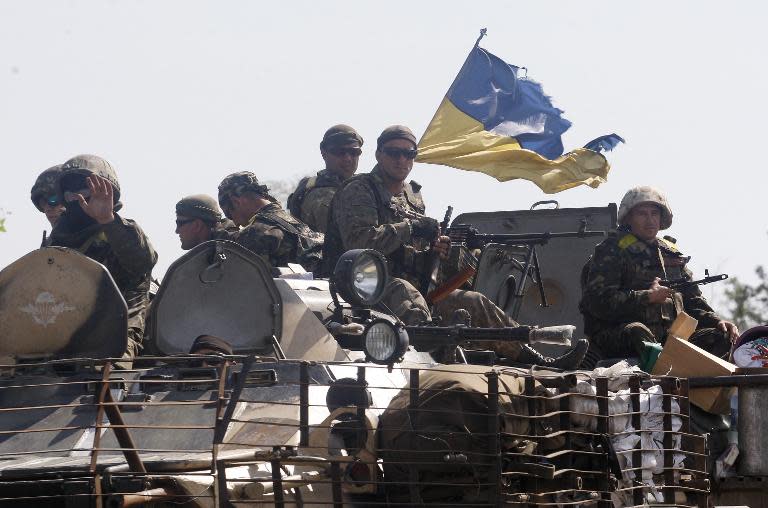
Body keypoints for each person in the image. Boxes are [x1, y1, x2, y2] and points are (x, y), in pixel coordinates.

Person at [324, 125, 587, 368]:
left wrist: (437, 249)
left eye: (409, 154)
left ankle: (540, 362)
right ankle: (434, 361)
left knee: (475, 303)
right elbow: (359, 242)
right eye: (394, 153)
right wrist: (411, 228)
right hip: (364, 287)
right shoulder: (359, 190)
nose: (401, 160)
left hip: (416, 288)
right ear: (379, 154)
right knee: (405, 292)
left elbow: (413, 249)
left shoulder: (412, 196)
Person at [580, 186, 737, 360]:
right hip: (620, 337)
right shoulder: (612, 250)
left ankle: (699, 384)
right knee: (637, 331)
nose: (650, 220)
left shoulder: (670, 253)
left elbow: (693, 301)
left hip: (670, 339)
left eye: (654, 213)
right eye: (642, 214)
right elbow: (597, 303)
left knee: (721, 335)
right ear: (628, 218)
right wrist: (647, 297)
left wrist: (717, 321)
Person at [49, 154, 157, 368]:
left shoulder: (122, 232)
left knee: (108, 387)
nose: (76, 198)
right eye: (70, 193)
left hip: (116, 338)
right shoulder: (58, 241)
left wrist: (106, 219)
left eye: (85, 191)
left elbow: (142, 263)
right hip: (62, 338)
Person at [217, 171, 324, 272]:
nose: (235, 223)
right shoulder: (297, 223)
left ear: (236, 202)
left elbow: (243, 284)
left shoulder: (256, 232)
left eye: (230, 215)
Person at [287, 124, 363, 233]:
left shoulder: (360, 186)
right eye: (340, 152)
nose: (348, 158)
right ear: (324, 153)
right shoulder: (322, 195)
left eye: (354, 152)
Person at [30, 165, 66, 242]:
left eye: (53, 200)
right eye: (42, 203)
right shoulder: (49, 243)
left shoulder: (95, 233)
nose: (48, 209)